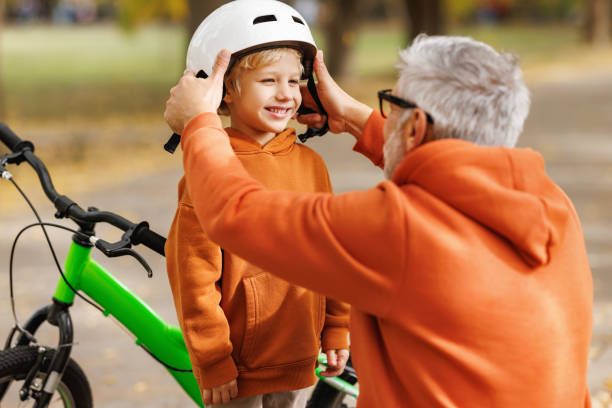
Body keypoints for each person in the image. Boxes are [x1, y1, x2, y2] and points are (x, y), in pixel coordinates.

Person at [164, 34, 593, 407]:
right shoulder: (552, 204)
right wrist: (348, 115)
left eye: (392, 106)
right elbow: (449, 169)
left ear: (414, 127)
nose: (384, 118)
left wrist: (200, 126)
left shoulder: (398, 227)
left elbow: (234, 214)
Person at [164, 1, 350, 407]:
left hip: (299, 358)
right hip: (236, 368)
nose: (286, 94)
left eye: (294, 81)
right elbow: (193, 273)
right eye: (269, 80)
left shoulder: (311, 165)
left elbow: (333, 254)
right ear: (226, 89)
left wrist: (337, 326)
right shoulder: (209, 166)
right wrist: (212, 358)